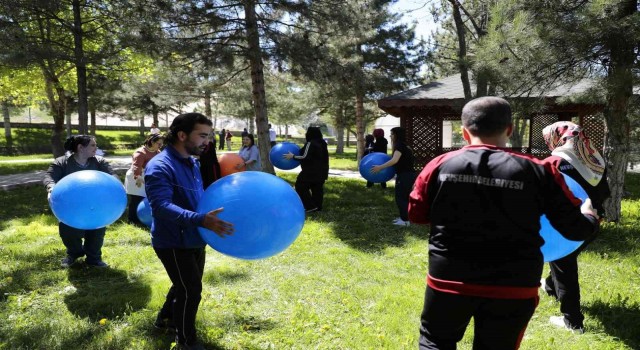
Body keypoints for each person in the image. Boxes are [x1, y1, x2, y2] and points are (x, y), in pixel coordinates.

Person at [407, 96, 600, 350]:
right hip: (513, 285)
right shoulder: (539, 171)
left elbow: (416, 214)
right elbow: (574, 229)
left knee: (435, 343)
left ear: (465, 132)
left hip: (450, 279)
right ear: (509, 129)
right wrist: (589, 216)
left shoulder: (439, 165)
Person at [144, 113, 234, 350]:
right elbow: (161, 207)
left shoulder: (191, 162)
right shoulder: (159, 166)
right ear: (182, 135)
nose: (208, 141)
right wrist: (201, 220)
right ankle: (186, 341)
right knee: (190, 290)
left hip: (196, 236)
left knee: (183, 284)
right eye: (202, 136)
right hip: (173, 241)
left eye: (209, 136)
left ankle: (165, 320)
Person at [541, 121, 610, 334]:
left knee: (564, 265)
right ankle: (551, 287)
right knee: (564, 259)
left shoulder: (553, 162)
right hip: (593, 223)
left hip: (565, 225)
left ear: (557, 138)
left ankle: (573, 322)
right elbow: (604, 192)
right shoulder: (593, 159)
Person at [43, 135, 116, 268]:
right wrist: (51, 188)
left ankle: (94, 258)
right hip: (71, 205)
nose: (96, 148)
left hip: (96, 204)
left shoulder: (99, 162)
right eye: (93, 145)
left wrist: (117, 185)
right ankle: (74, 253)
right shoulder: (62, 162)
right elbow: (49, 177)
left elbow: (111, 176)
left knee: (96, 231)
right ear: (80, 147)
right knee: (68, 232)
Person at [371, 127, 416, 226]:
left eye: (392, 134)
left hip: (405, 175)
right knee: (405, 197)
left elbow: (394, 160)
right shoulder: (405, 145)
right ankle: (404, 218)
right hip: (409, 175)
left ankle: (405, 221)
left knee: (401, 198)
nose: (390, 136)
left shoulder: (399, 145)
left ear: (397, 135)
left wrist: (380, 167)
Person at [284, 126, 329, 213]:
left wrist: (292, 156)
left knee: (300, 186)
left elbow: (305, 156)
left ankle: (310, 206)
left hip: (310, 171)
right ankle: (317, 207)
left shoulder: (310, 143)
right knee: (317, 189)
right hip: (322, 171)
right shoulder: (322, 143)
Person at [124, 133, 164, 226]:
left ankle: (142, 217)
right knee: (136, 199)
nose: (160, 146)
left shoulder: (157, 151)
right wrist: (137, 177)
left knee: (145, 197)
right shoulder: (140, 152)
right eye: (159, 143)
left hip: (146, 176)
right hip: (136, 177)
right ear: (152, 142)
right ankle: (132, 220)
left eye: (161, 144)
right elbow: (136, 166)